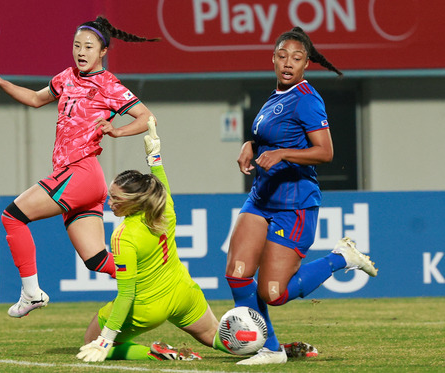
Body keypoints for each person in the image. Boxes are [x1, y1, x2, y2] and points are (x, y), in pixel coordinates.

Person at [0, 16, 159, 318]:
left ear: (103, 51)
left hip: (80, 172)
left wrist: (117, 131)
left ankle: (31, 293)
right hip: (80, 180)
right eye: (77, 45)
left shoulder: (109, 84)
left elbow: (147, 118)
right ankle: (153, 281)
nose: (81, 51)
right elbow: (37, 99)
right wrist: (0, 82)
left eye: (89, 46)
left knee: (12, 216)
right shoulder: (66, 77)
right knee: (97, 259)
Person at [224, 27, 378, 365]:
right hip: (261, 198)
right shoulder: (274, 97)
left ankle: (341, 257)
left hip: (294, 205)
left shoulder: (307, 98)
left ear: (306, 63)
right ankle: (271, 350)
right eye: (282, 56)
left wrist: (282, 154)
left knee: (272, 293)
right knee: (237, 273)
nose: (288, 63)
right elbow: (266, 137)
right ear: (273, 59)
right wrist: (250, 145)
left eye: (296, 58)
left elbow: (325, 152)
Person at [76, 117, 232, 362]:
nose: (110, 201)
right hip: (183, 293)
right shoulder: (164, 208)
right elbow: (160, 182)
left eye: (116, 198)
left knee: (90, 343)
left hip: (148, 307)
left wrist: (105, 339)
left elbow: (126, 294)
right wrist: (154, 156)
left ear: (133, 201)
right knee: (216, 336)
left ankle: (157, 353)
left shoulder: (124, 236)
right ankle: (270, 348)